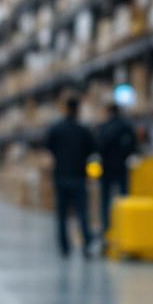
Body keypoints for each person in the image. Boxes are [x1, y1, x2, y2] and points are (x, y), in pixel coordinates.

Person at [43, 97, 96, 258]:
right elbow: (92, 149)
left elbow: (49, 147)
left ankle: (64, 248)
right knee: (82, 213)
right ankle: (86, 245)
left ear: (65, 109)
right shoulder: (83, 131)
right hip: (79, 177)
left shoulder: (56, 129)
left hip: (61, 176)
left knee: (62, 214)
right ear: (78, 110)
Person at [96, 103, 138, 246]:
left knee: (105, 201)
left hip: (106, 169)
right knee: (124, 199)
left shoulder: (103, 127)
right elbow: (133, 145)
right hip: (122, 167)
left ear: (108, 111)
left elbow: (99, 147)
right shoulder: (126, 127)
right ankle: (124, 228)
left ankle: (106, 231)